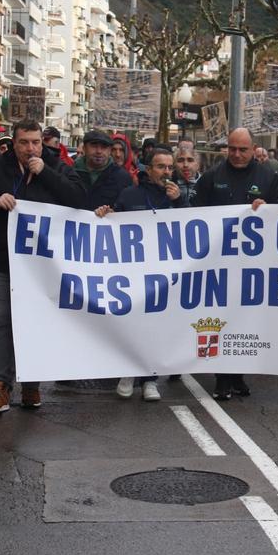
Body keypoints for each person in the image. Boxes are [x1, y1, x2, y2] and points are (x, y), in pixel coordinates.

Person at [0, 120, 85, 414]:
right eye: (24, 142)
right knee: (0, 321)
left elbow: (77, 199)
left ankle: (31, 384)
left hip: (40, 266)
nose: (30, 148)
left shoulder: (56, 166)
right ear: (14, 143)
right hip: (0, 259)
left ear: (42, 142)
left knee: (33, 321)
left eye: (35, 142)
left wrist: (45, 173)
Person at [193, 127, 278, 400]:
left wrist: (266, 207)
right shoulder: (212, 177)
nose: (236, 154)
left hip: (253, 263)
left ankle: (238, 374)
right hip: (219, 261)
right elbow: (195, 214)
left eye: (242, 149)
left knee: (245, 320)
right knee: (222, 319)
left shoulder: (268, 177)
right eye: (232, 148)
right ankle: (222, 378)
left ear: (253, 148)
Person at [96, 146, 188, 403]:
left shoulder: (178, 197)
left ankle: (149, 379)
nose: (167, 172)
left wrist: (179, 201)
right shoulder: (130, 194)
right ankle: (128, 372)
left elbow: (195, 225)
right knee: (133, 323)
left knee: (156, 325)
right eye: (161, 166)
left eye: (170, 167)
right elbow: (115, 223)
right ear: (149, 169)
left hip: (165, 273)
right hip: (134, 272)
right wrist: (106, 215)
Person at [74, 130, 133, 210]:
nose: (99, 151)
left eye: (104, 147)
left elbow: (128, 210)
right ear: (84, 148)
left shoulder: (123, 178)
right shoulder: (70, 173)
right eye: (94, 146)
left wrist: (113, 213)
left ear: (109, 151)